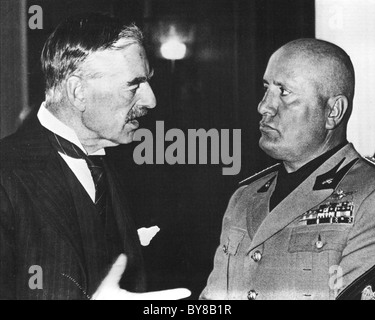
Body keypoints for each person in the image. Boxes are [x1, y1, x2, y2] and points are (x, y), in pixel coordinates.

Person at [0, 13, 189, 300]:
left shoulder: (126, 168)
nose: (151, 100)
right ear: (78, 92)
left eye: (147, 82)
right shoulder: (5, 174)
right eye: (134, 85)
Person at [200, 38, 375, 300]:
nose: (264, 107)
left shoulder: (368, 197)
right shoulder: (245, 197)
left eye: (284, 92)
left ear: (333, 112)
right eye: (266, 88)